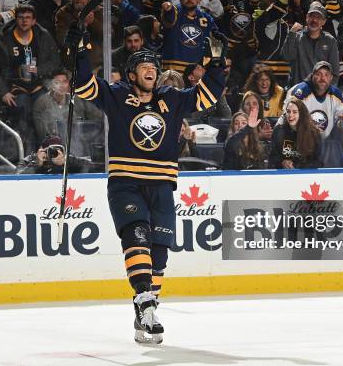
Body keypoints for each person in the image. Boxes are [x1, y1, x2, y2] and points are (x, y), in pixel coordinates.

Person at [67, 23, 226, 343]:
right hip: (126, 182)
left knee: (160, 255)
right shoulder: (117, 95)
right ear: (131, 74)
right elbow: (83, 85)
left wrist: (216, 64)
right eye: (143, 66)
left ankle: (146, 311)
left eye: (153, 66)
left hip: (163, 185)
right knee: (136, 236)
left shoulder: (173, 98)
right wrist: (80, 52)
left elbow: (208, 94)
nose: (150, 70)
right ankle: (145, 302)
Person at [0, 4, 60, 155]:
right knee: (23, 110)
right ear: (15, 19)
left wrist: (40, 70)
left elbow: (55, 62)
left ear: (33, 21)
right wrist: (3, 92)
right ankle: (27, 156)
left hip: (39, 86)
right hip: (15, 88)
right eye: (20, 17)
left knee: (45, 110)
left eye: (28, 18)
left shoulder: (42, 36)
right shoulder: (5, 39)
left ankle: (49, 153)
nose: (24, 21)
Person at [285, 61, 343, 140]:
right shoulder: (299, 92)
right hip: (296, 139)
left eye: (326, 75)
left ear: (331, 78)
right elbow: (288, 118)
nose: (323, 78)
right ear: (312, 76)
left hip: (321, 143)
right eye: (319, 74)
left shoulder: (337, 95)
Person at [160, 0, 218, 72]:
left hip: (195, 71)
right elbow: (169, 16)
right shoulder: (175, 12)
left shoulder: (206, 18)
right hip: (173, 69)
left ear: (198, 0)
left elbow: (216, 40)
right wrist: (168, 9)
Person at [283, 1, 340, 86]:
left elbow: (334, 73)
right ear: (306, 17)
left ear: (324, 22)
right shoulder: (296, 36)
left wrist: (325, 92)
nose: (314, 20)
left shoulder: (330, 41)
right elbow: (287, 57)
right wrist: (291, 34)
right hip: (298, 91)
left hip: (321, 92)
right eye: (312, 16)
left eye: (318, 17)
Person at [269, 98, 321, 169]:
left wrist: (297, 166)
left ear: (301, 114)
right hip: (283, 174)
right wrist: (282, 162)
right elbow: (272, 157)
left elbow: (317, 162)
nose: (290, 115)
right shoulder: (278, 131)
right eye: (288, 111)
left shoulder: (314, 134)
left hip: (305, 175)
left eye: (295, 112)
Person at [223, 106, 267, 170]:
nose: (240, 125)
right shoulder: (230, 143)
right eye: (236, 123)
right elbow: (233, 141)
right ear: (232, 127)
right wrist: (248, 127)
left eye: (244, 123)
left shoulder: (258, 146)